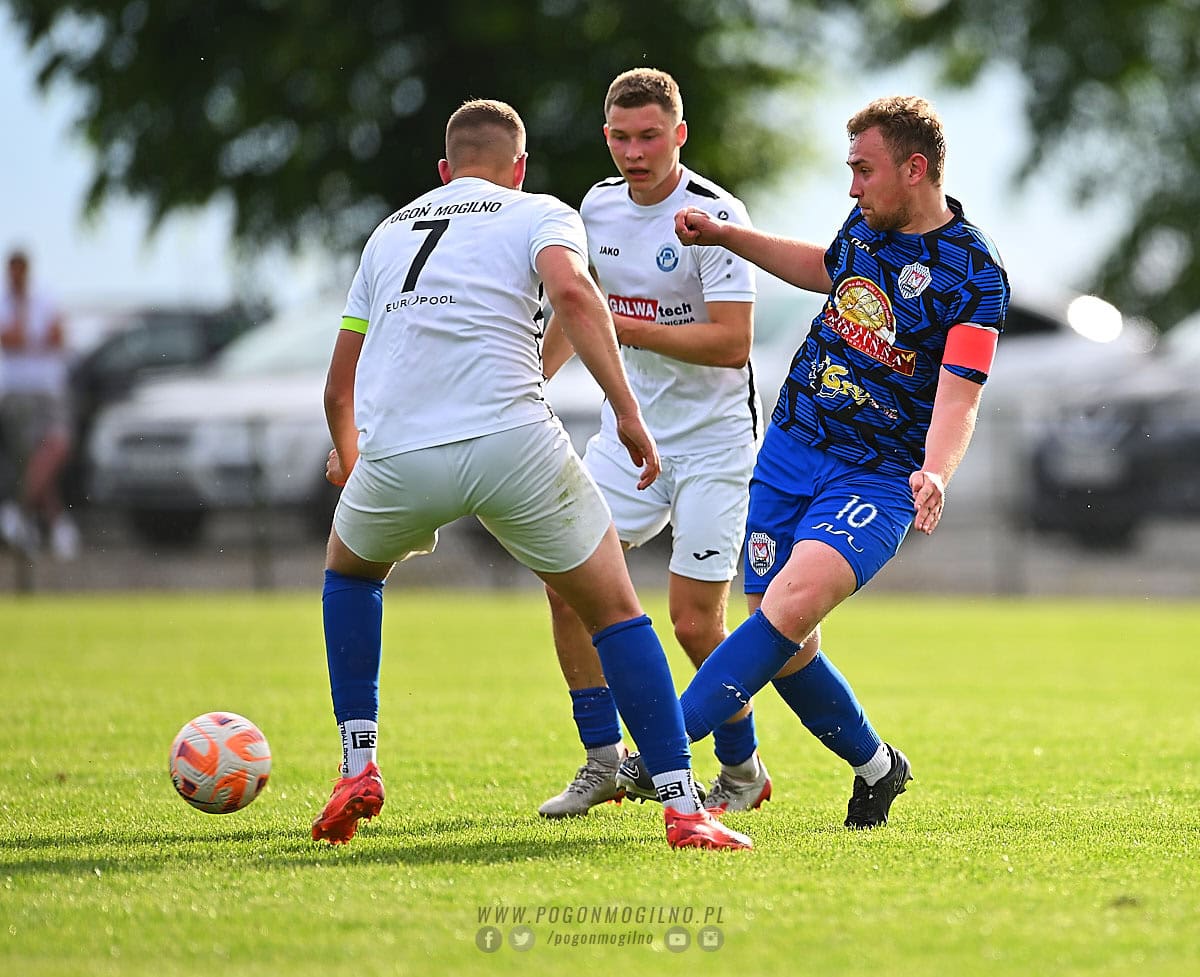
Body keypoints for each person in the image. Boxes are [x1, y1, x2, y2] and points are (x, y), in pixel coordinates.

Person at [309, 98, 751, 852]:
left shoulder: (387, 232)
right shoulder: (541, 211)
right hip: (512, 442)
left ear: (443, 171)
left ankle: (358, 766)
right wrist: (627, 412)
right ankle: (683, 806)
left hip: (398, 452)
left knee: (350, 576)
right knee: (616, 612)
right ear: (519, 168)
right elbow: (574, 295)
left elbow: (337, 387)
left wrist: (349, 454)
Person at [618, 94, 1011, 828]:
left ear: (915, 169)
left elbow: (960, 395)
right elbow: (823, 268)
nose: (853, 187)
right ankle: (878, 766)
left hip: (877, 476)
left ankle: (660, 754)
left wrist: (935, 470)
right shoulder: (867, 225)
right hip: (791, 450)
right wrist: (726, 235)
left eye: (864, 170)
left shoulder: (975, 274)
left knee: (789, 606)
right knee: (783, 638)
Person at [536, 68, 772, 820]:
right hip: (628, 438)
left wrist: (625, 328)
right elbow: (574, 311)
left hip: (714, 447)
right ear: (606, 137)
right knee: (568, 585)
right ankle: (602, 760)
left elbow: (733, 343)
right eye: (621, 138)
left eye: (649, 137)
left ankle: (742, 770)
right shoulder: (596, 207)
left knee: (695, 623)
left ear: (679, 134)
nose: (635, 152)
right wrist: (531, 382)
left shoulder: (714, 214)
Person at [0, 248, 80, 560]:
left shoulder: (45, 298)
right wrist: (36, 338)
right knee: (29, 459)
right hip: (17, 391)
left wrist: (28, 340)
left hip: (48, 389)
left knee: (55, 448)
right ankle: (54, 523)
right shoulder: (5, 303)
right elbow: (11, 340)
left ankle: (17, 512)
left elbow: (58, 337)